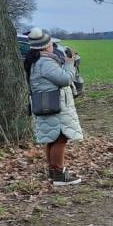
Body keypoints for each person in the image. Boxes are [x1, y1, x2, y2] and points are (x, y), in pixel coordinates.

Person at [26, 27, 83, 186]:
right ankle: (58, 174)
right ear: (45, 47)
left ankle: (54, 172)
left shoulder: (37, 61)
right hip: (55, 105)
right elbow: (65, 79)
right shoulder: (45, 62)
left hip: (47, 104)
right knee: (60, 137)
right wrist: (70, 64)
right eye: (51, 44)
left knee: (52, 138)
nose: (53, 46)